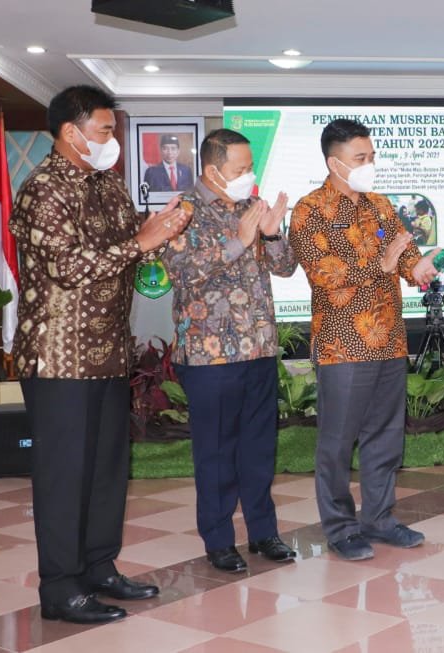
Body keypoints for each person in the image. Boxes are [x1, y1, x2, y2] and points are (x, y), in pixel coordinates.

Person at [10, 85, 186, 624]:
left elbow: (130, 249)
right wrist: (141, 242)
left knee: (108, 469)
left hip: (109, 351)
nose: (114, 141)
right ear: (71, 132)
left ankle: (98, 567)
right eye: (106, 131)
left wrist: (163, 235)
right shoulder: (43, 191)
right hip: (59, 356)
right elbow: (67, 267)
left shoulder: (107, 186)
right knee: (65, 474)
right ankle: (61, 587)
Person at [287, 119, 441, 561]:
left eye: (372, 157)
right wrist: (383, 265)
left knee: (386, 438)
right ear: (334, 162)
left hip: (390, 339)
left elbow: (403, 252)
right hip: (342, 345)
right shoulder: (309, 209)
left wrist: (416, 268)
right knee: (337, 442)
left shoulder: (379, 204)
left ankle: (379, 519)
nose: (370, 165)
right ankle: (339, 527)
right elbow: (324, 275)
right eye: (361, 158)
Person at [160, 128, 298, 573]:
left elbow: (285, 267)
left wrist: (273, 235)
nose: (248, 176)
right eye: (240, 170)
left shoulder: (250, 207)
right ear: (212, 169)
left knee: (259, 448)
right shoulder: (183, 211)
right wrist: (238, 239)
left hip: (258, 347)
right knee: (216, 451)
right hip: (210, 355)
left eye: (250, 167)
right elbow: (180, 273)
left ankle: (263, 532)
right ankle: (218, 539)